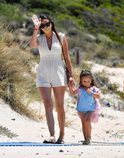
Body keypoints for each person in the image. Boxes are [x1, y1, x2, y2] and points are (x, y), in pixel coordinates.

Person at [30, 14, 74, 144]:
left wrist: (71, 76)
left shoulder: (61, 37)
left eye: (47, 24)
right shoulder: (39, 37)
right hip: (43, 73)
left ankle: (62, 135)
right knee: (48, 105)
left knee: (60, 106)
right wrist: (36, 29)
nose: (45, 27)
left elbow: (67, 58)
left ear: (52, 24)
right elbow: (32, 45)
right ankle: (52, 135)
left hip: (58, 73)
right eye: (42, 25)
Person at [71, 70, 101, 145]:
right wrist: (70, 86)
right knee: (83, 123)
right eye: (84, 81)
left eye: (88, 81)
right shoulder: (80, 89)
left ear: (91, 80)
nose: (86, 83)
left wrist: (91, 93)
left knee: (87, 121)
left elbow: (98, 96)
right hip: (81, 109)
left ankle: (89, 137)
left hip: (90, 109)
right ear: (81, 81)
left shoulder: (93, 88)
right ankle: (85, 139)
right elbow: (72, 93)